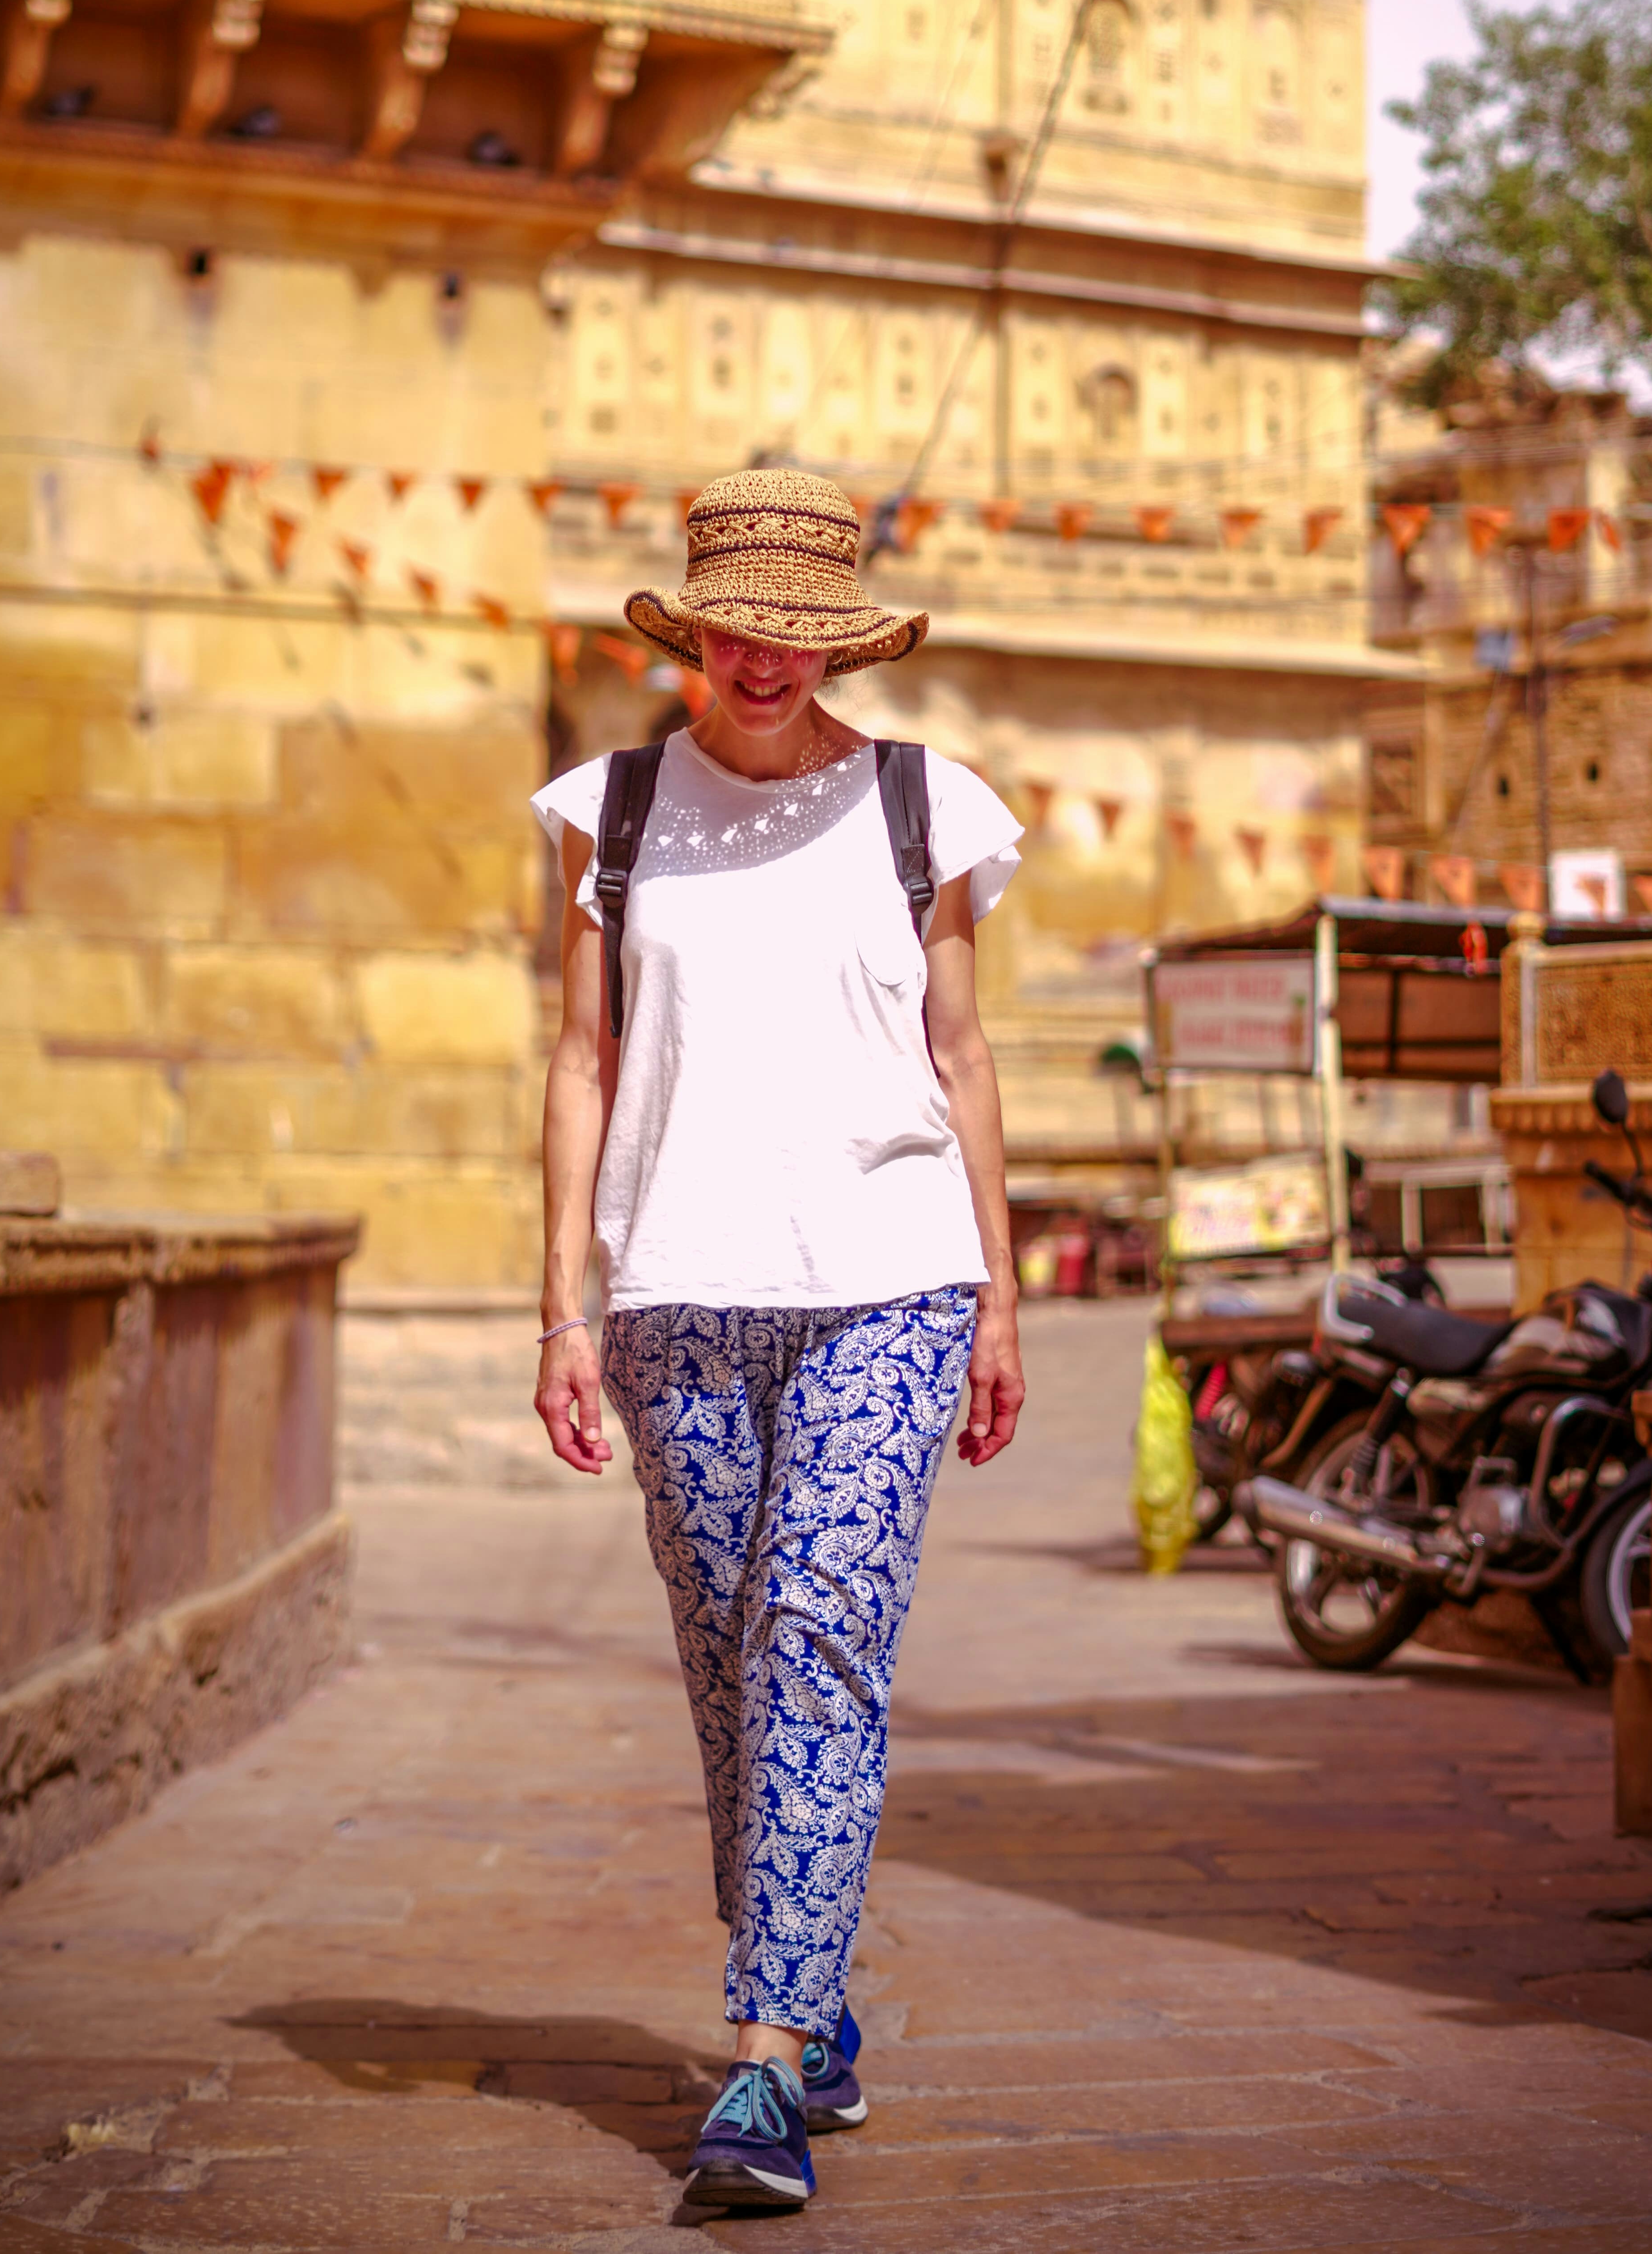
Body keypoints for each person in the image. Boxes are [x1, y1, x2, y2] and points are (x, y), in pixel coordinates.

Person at [530, 467, 1026, 2216]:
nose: (763, 660)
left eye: (796, 634)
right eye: (736, 629)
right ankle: (809, 1999)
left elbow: (962, 1057)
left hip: (891, 1274)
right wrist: (563, 1306)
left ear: (842, 644)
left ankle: (757, 2066)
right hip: (678, 1288)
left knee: (818, 1631)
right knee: (732, 1656)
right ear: (694, 630)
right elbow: (582, 1062)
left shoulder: (922, 805)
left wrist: (1001, 1293)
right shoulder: (608, 808)